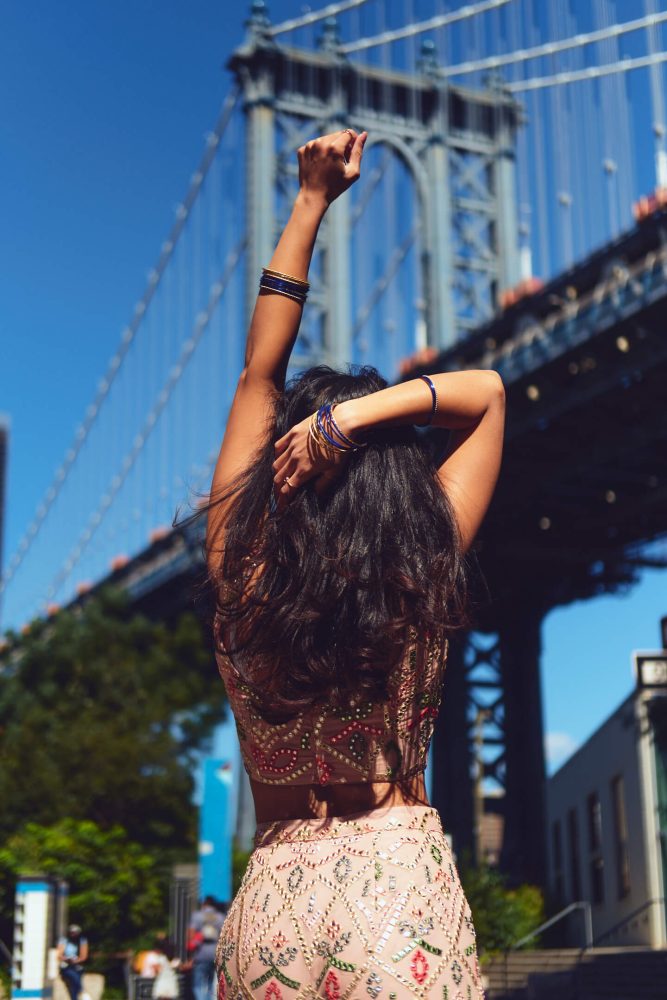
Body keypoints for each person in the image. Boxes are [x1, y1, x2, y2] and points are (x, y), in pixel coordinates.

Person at [204, 128, 505, 997]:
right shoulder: (419, 565)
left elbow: (260, 374)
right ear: (398, 491)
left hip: (272, 910)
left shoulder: (243, 565)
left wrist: (308, 201)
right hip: (397, 902)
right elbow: (484, 395)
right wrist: (357, 421)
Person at [188, 897, 226, 1000]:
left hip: (201, 952)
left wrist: (190, 951)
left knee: (198, 984)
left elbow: (191, 934)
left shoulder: (197, 916)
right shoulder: (221, 917)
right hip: (215, 953)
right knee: (210, 983)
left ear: (204, 904)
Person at [56, 924, 88, 1000]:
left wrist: (77, 960)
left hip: (77, 966)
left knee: (74, 985)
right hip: (66, 966)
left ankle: (77, 996)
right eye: (71, 932)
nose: (73, 934)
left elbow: (83, 956)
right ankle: (82, 991)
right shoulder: (64, 940)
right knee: (73, 975)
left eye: (75, 933)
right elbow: (59, 954)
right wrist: (66, 959)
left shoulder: (82, 941)